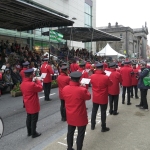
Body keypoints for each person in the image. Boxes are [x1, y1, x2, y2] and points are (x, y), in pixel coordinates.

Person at [62, 71, 91, 150]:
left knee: (70, 132)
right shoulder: (81, 90)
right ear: (79, 79)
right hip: (80, 114)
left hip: (70, 114)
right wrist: (84, 87)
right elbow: (88, 97)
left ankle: (69, 147)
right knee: (80, 134)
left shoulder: (65, 88)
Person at [20, 68, 43, 138]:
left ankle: (29, 132)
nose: (33, 75)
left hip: (27, 102)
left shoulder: (23, 83)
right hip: (33, 103)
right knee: (34, 119)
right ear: (30, 76)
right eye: (32, 74)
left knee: (29, 117)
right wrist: (38, 81)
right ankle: (34, 133)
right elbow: (40, 88)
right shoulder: (31, 84)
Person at [90, 63, 112, 132]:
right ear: (102, 68)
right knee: (103, 112)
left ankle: (92, 125)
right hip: (103, 97)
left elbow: (90, 82)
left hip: (96, 97)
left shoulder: (92, 76)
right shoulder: (105, 77)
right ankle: (103, 127)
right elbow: (111, 84)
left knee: (94, 111)